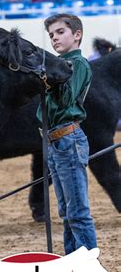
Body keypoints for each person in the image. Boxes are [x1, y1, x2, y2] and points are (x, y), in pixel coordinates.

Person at [39, 13, 96, 255]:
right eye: (51, 35)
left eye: (60, 32)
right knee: (66, 212)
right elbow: (45, 111)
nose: (54, 38)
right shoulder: (62, 66)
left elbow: (65, 100)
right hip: (55, 141)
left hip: (68, 139)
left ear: (77, 34)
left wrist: (50, 80)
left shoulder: (78, 65)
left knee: (77, 212)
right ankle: (73, 261)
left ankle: (87, 266)